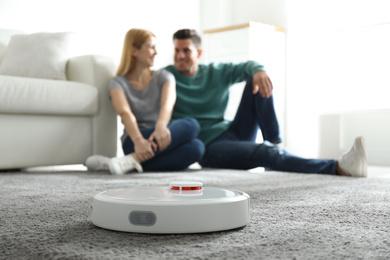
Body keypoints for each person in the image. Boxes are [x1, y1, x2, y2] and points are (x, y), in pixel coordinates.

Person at [164, 29, 368, 177]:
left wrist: (259, 71)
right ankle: (338, 167)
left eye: (186, 51)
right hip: (209, 147)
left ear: (198, 53)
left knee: (256, 79)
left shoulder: (215, 71)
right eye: (176, 50)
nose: (180, 56)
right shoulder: (166, 77)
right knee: (265, 152)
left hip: (233, 131)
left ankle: (275, 143)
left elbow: (249, 65)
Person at [85, 29, 205, 174]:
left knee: (196, 147)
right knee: (192, 126)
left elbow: (167, 105)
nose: (156, 52)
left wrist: (161, 126)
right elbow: (125, 113)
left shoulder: (164, 77)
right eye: (151, 47)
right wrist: (138, 141)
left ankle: (130, 161)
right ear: (134, 51)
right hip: (134, 140)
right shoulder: (117, 83)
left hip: (161, 136)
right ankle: (133, 157)